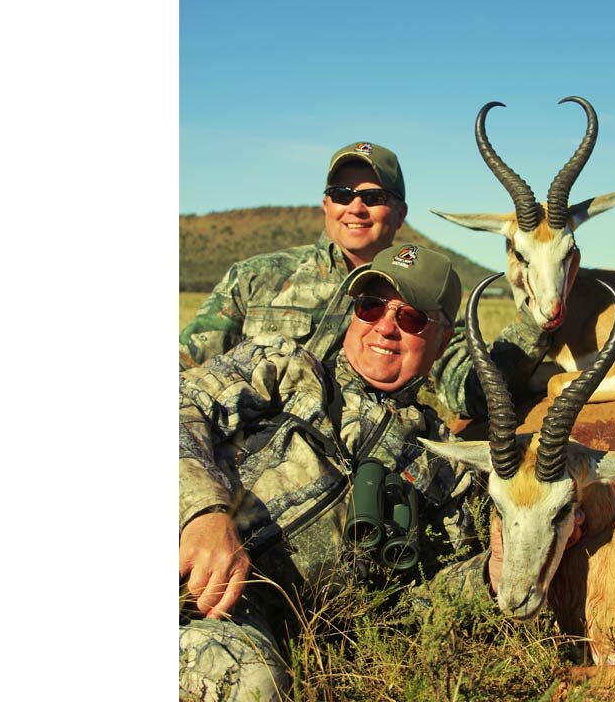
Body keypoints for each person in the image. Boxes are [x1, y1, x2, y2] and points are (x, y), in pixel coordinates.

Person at [179, 244, 495, 702]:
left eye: (410, 318)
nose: (384, 326)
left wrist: (494, 571)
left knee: (252, 685)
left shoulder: (449, 467)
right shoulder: (283, 365)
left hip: (235, 626)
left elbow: (423, 602)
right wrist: (201, 513)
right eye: (370, 307)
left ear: (444, 339)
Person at [179, 141, 552, 419]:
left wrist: (538, 314)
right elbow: (184, 370)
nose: (355, 207)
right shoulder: (254, 278)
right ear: (326, 205)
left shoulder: (426, 295)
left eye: (372, 196)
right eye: (341, 194)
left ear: (400, 212)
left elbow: (468, 389)